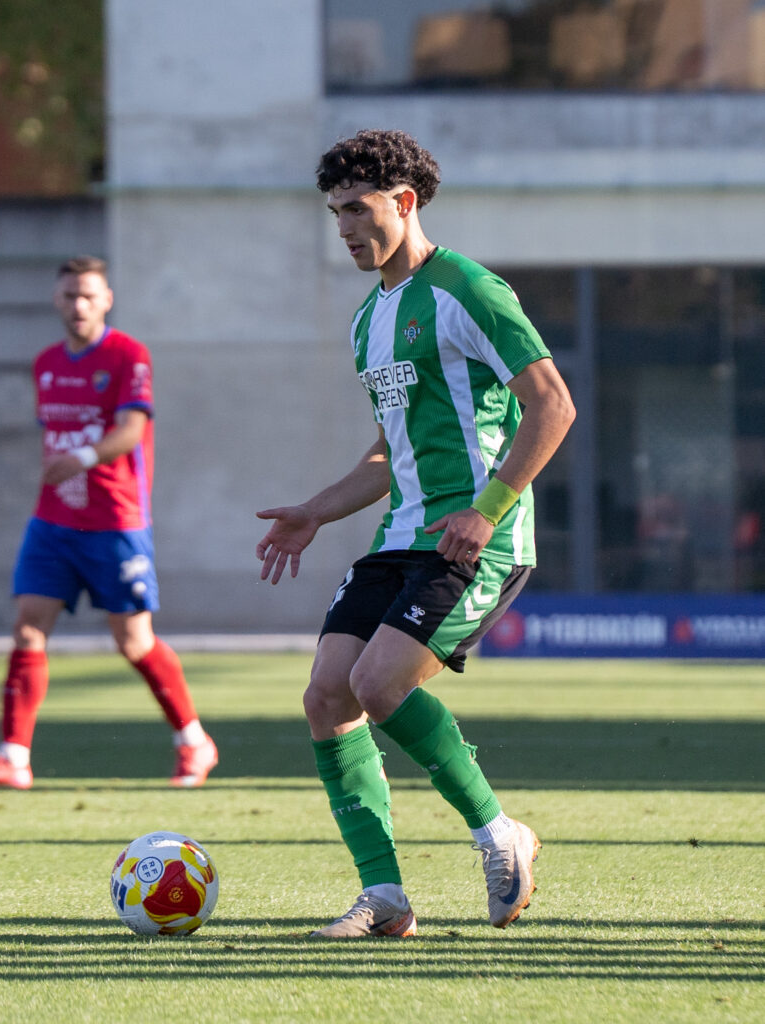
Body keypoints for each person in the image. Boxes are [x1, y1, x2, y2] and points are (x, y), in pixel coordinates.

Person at [256, 130, 575, 938]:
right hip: (398, 536)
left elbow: (552, 404)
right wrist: (315, 511)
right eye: (334, 213)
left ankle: (497, 833)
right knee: (326, 696)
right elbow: (386, 452)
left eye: (357, 210)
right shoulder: (369, 319)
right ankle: (384, 896)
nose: (344, 228)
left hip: (474, 539)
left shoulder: (468, 289)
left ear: (404, 202)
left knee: (376, 685)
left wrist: (485, 508)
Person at [0, 256, 218, 791]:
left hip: (116, 520)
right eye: (70, 295)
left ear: (106, 300)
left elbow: (131, 428)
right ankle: (14, 758)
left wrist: (84, 457)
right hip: (53, 521)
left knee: (133, 641)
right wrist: (67, 467)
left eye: (88, 295)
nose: (78, 305)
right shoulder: (46, 363)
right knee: (28, 627)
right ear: (56, 300)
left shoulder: (127, 355)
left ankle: (194, 740)